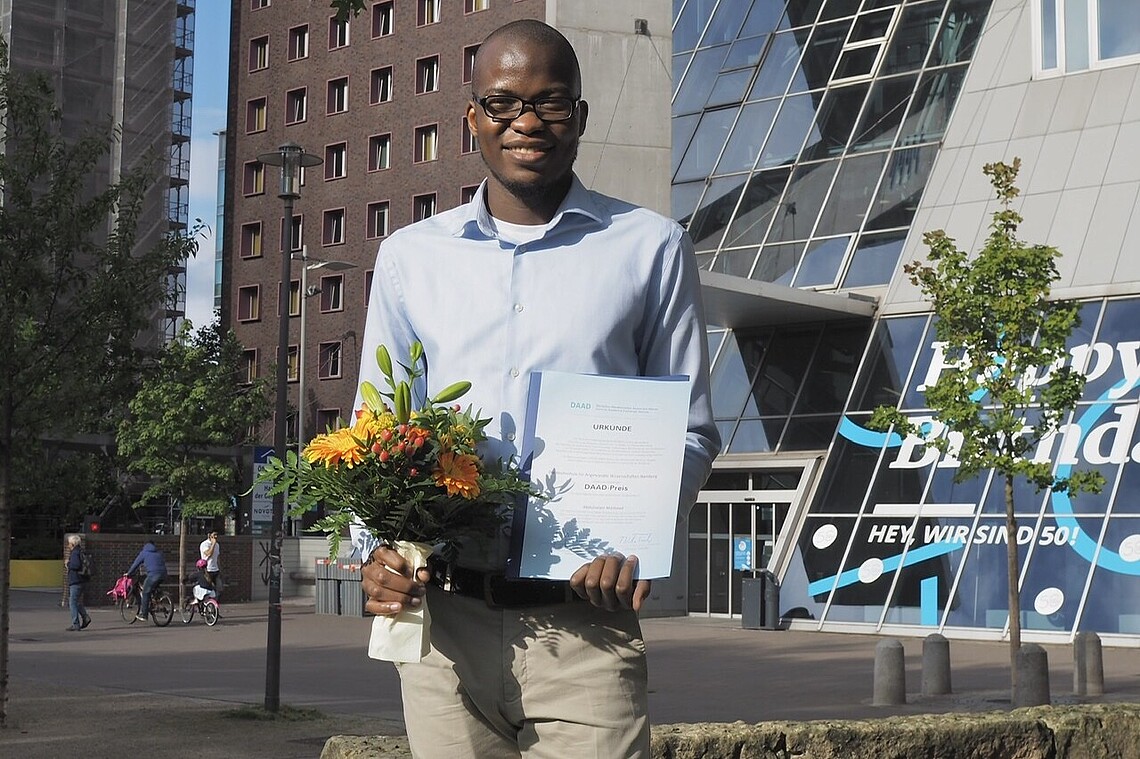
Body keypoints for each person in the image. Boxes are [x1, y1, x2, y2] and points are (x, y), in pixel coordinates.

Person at [357, 19, 719, 758]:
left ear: (579, 116)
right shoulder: (409, 260)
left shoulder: (650, 249)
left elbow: (692, 428)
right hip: (442, 631)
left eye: (550, 103)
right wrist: (375, 548)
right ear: (472, 119)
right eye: (501, 103)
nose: (525, 122)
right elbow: (373, 434)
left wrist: (637, 535)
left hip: (583, 625)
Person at [125, 541, 168, 622]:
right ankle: (157, 602)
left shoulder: (144, 553)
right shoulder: (159, 553)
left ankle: (144, 614)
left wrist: (129, 573)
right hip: (163, 574)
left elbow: (135, 564)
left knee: (145, 591)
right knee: (153, 588)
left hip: (153, 575)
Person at [64, 534, 92, 631]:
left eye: (69, 543)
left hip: (76, 580)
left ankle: (76, 623)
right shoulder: (81, 551)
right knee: (76, 601)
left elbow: (75, 565)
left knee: (72, 602)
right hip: (82, 580)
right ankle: (85, 617)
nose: (68, 545)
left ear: (72, 543)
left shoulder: (75, 553)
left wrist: (68, 563)